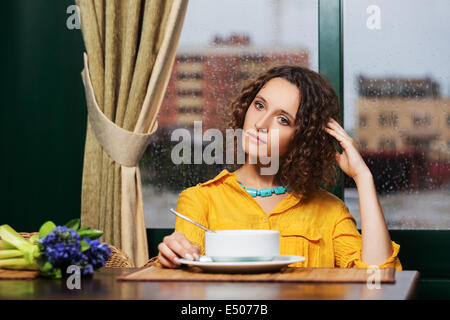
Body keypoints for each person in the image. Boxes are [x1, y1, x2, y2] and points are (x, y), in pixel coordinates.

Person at [156, 65, 402, 270]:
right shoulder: (199, 200)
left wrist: (363, 178)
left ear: (303, 138)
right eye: (259, 105)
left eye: (283, 119)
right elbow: (186, 278)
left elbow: (378, 278)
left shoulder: (331, 212)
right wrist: (173, 255)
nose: (261, 124)